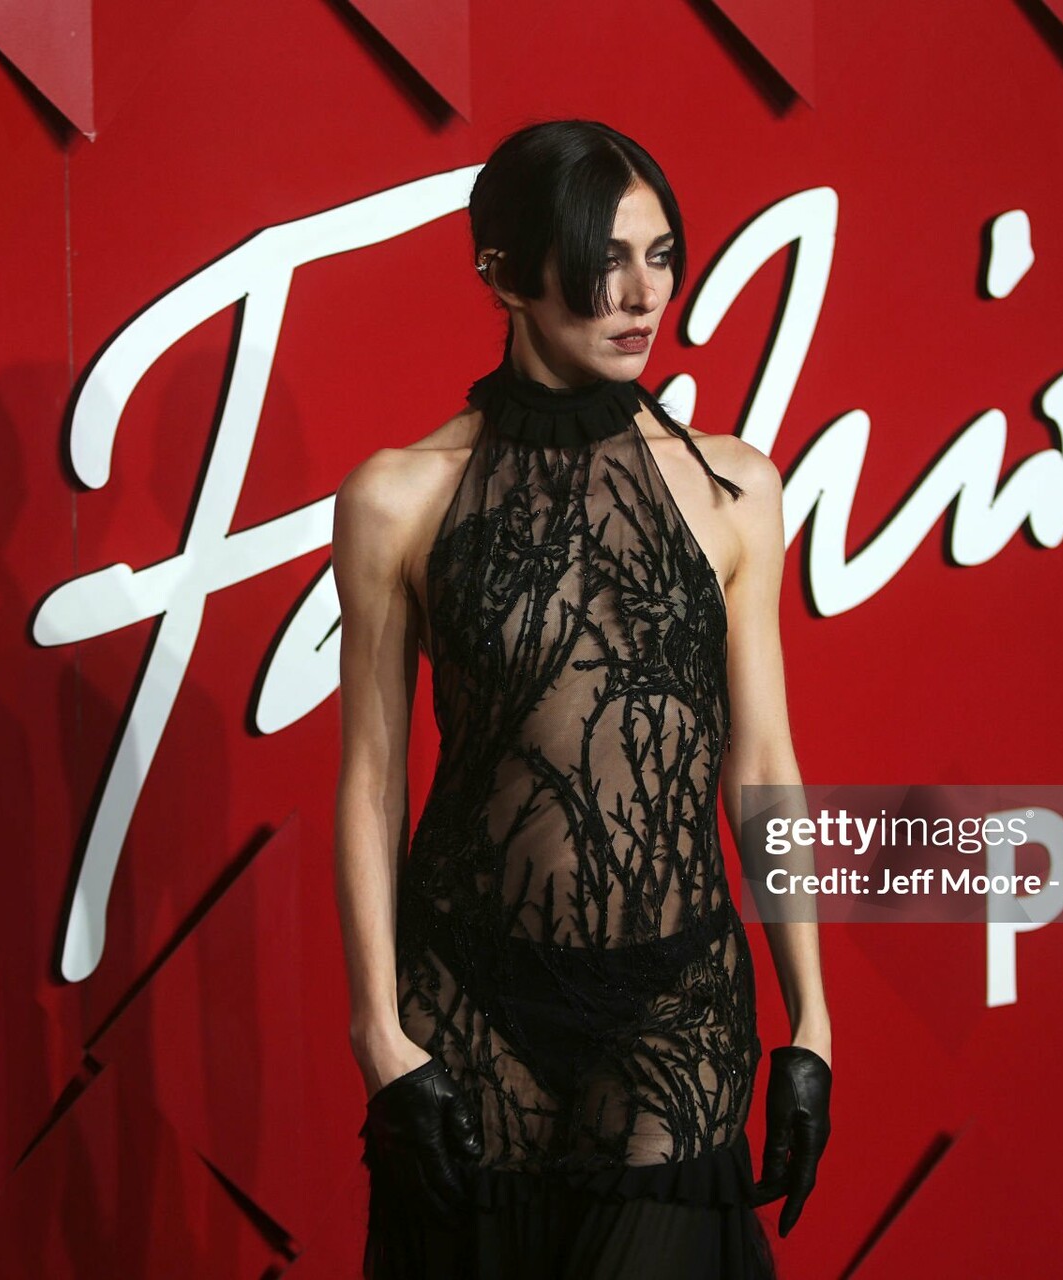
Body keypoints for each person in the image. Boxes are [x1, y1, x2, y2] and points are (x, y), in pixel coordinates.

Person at [331, 119, 832, 1279]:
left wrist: (811, 1019)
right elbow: (372, 778)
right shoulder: (397, 498)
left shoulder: (734, 487)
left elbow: (763, 761)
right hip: (465, 994)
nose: (642, 294)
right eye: (603, 260)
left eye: (661, 256)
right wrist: (378, 1032)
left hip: (676, 1000)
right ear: (504, 272)